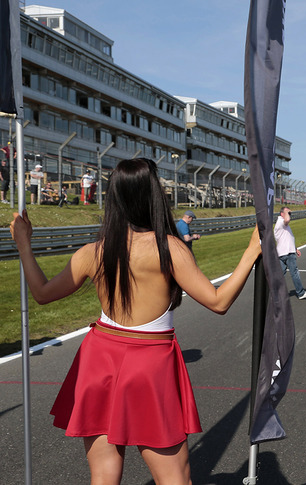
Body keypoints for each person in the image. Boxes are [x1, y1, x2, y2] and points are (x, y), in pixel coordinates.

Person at [9, 158, 263, 484]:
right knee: (175, 480)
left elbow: (42, 293)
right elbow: (218, 301)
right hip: (149, 364)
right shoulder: (169, 248)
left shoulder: (93, 251)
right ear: (154, 195)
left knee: (103, 477)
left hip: (97, 359)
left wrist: (23, 244)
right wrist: (251, 250)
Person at [274, 206, 306, 300]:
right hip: (287, 253)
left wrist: (295, 249)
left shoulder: (283, 225)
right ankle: (300, 293)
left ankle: (274, 293)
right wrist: (287, 212)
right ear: (282, 214)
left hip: (284, 252)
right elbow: (287, 219)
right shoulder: (281, 222)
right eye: (287, 213)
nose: (289, 215)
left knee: (280, 275)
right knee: (294, 273)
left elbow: (287, 238)